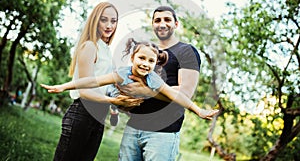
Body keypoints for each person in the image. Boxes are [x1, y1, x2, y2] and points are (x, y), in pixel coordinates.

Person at [49, 2, 142, 161]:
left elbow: (107, 85)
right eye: (103, 20)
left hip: (98, 117)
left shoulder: (106, 49)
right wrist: (112, 100)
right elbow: (85, 90)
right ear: (95, 21)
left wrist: (122, 102)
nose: (109, 25)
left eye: (113, 21)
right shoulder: (90, 46)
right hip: (82, 113)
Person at [117, 5, 211, 161]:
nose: (162, 24)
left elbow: (185, 93)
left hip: (163, 133)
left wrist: (146, 91)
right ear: (153, 24)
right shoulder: (148, 52)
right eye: (157, 20)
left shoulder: (186, 51)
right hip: (133, 127)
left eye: (167, 19)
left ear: (176, 24)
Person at [41, 38, 218, 120]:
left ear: (156, 64)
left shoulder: (153, 79)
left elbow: (175, 95)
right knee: (112, 90)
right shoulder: (122, 73)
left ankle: (116, 109)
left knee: (126, 99)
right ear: (132, 58)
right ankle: (115, 108)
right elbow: (92, 81)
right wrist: (65, 86)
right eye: (142, 58)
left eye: (151, 61)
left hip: (131, 100)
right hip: (115, 90)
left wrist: (198, 110)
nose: (145, 64)